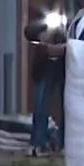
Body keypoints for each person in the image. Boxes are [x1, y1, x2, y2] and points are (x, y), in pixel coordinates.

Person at [25, 15, 68, 156]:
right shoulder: (39, 29)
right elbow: (46, 47)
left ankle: (63, 144)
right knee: (41, 105)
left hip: (62, 68)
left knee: (66, 107)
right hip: (44, 68)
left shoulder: (69, 24)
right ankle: (38, 143)